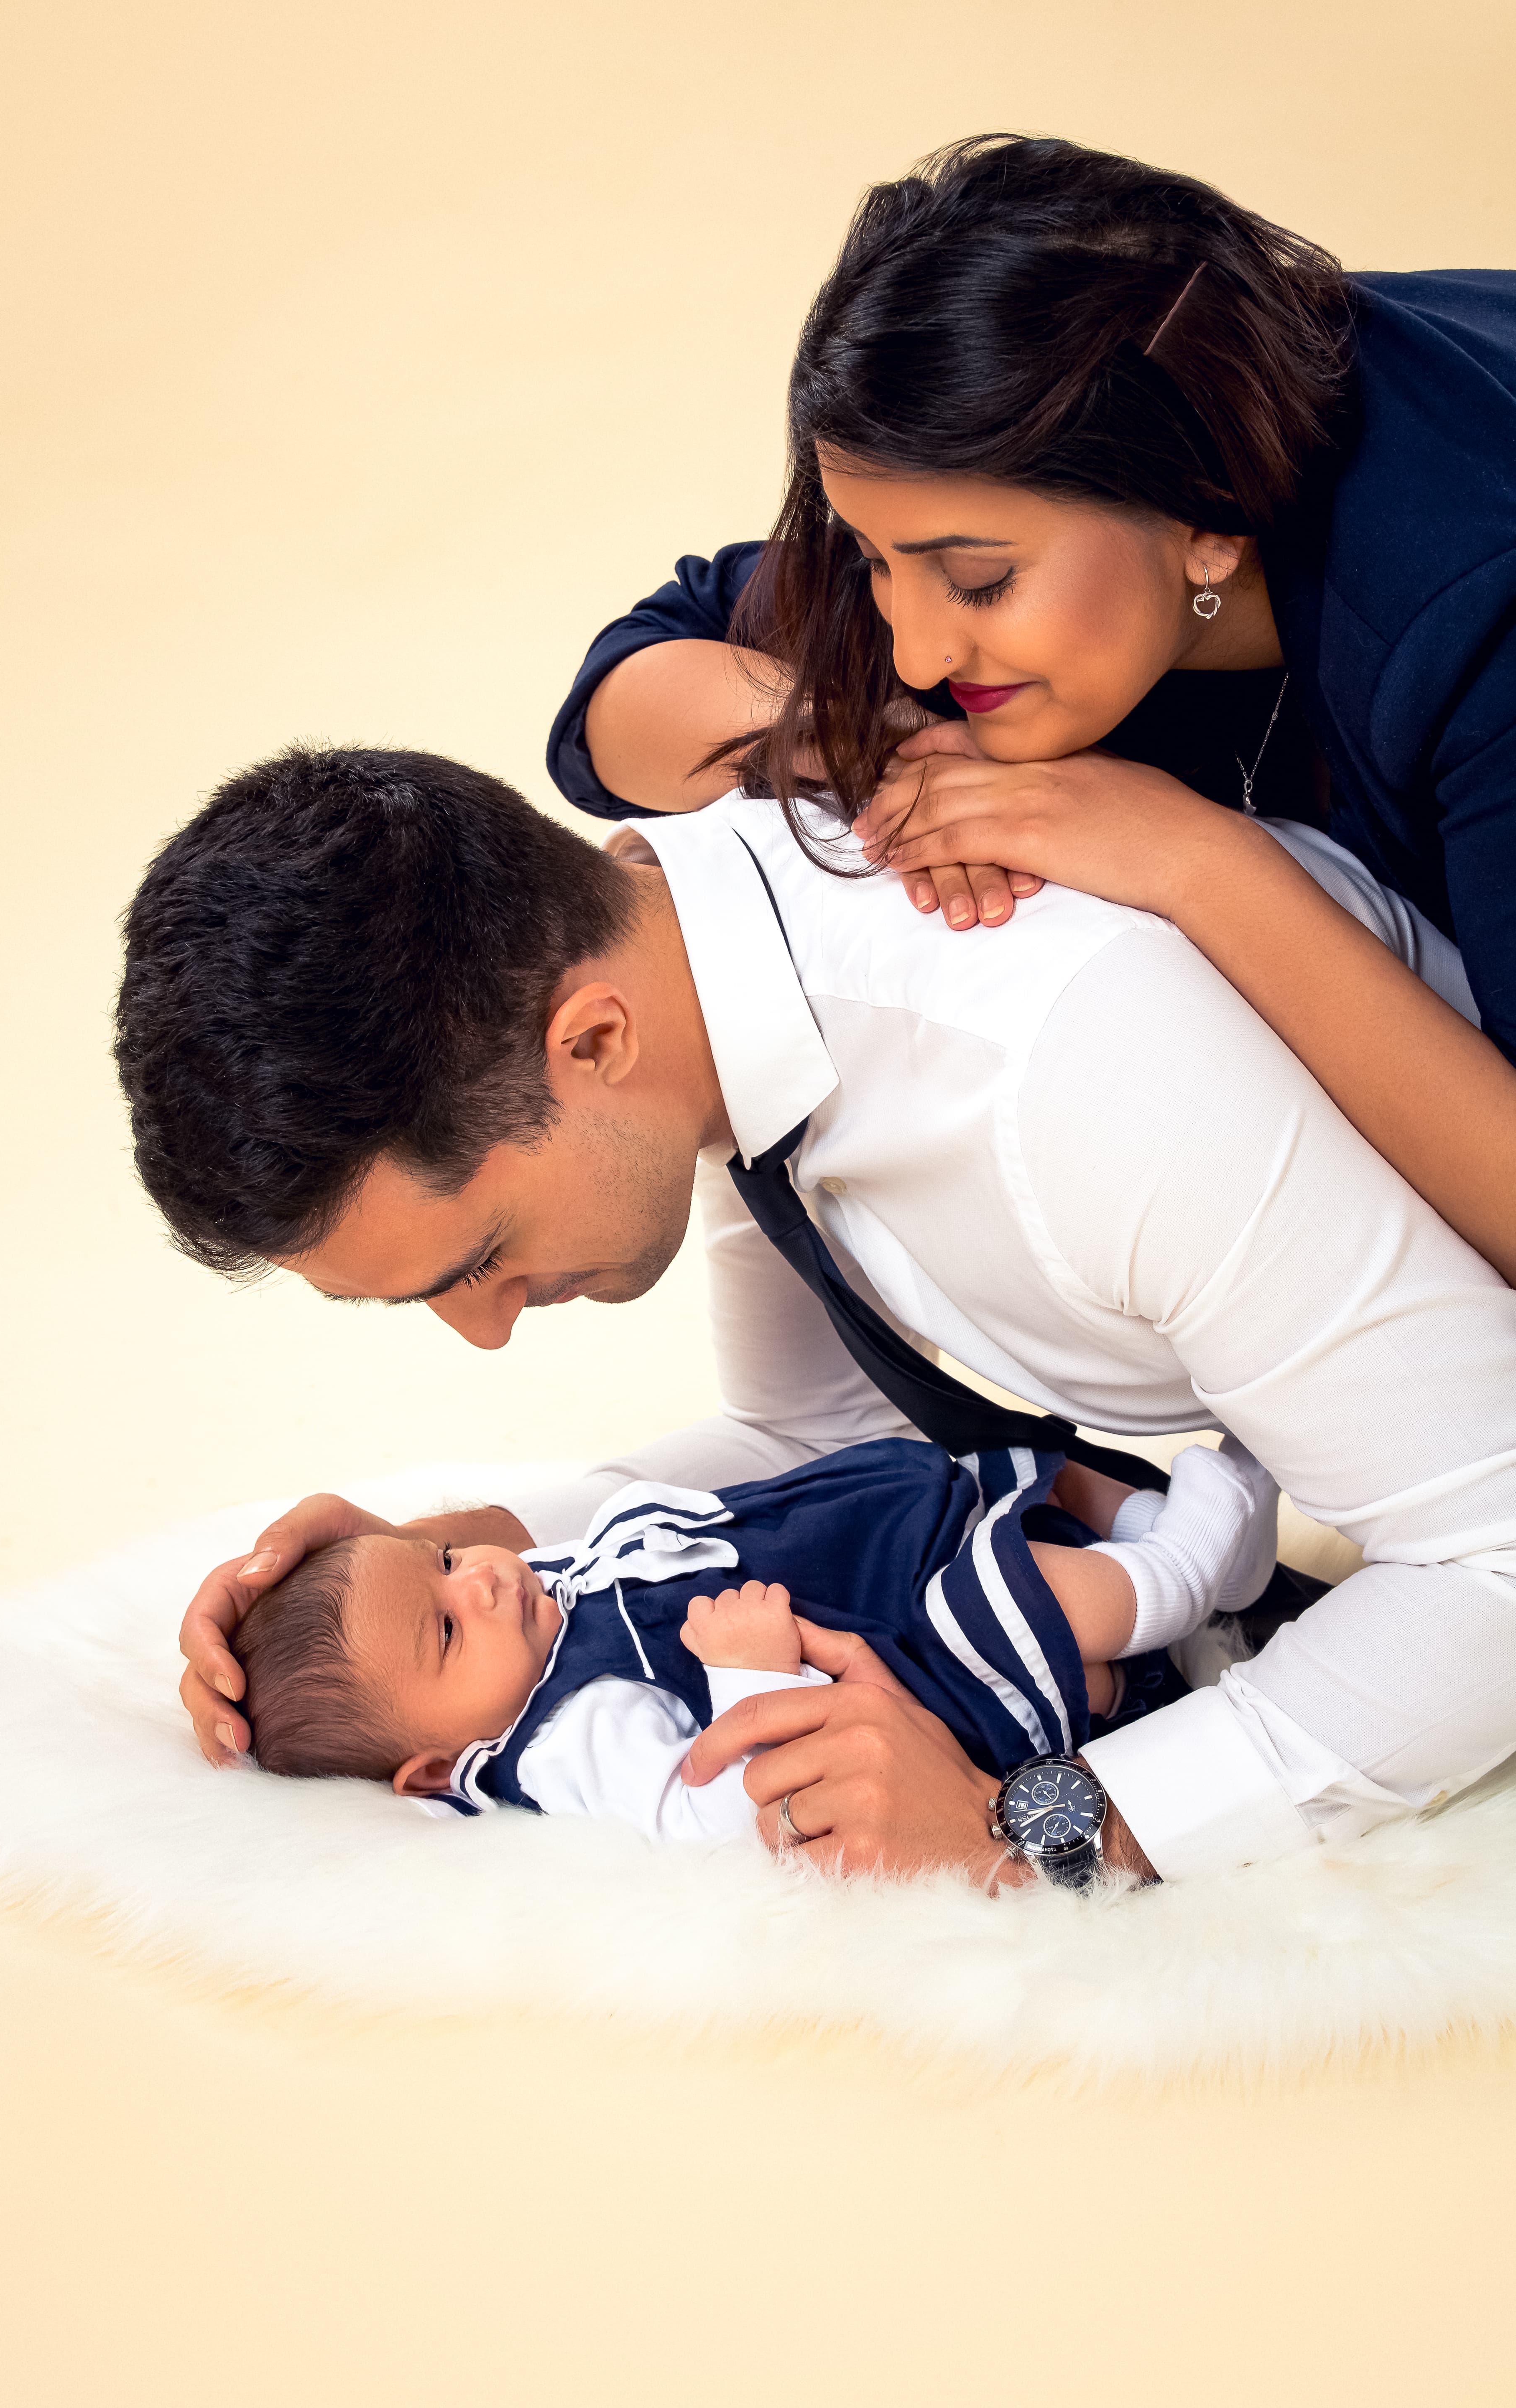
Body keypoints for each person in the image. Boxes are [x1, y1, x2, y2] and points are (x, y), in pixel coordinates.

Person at [117, 745, 1516, 1889]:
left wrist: (1037, 1831)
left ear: (594, 1041)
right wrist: (463, 1555)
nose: (485, 1334)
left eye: (475, 1260)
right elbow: (811, 1435)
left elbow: (1496, 1565)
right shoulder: (694, 987)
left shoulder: (1062, 1076)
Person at [551, 135, 1516, 1281]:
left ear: (1210, 513)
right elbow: (620, 697)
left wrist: (1193, 860)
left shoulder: (1473, 616)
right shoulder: (1029, 477)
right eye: (872, 559)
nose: (914, 647)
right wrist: (881, 749)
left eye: (977, 581)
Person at [235, 1435, 1279, 1872]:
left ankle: (1154, 1539)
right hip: (901, 1668)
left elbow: (531, 1559)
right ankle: (1185, 1570)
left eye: (446, 1560)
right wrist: (749, 1672)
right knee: (1006, 1603)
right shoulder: (564, 1742)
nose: (483, 1581)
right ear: (433, 1770)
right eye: (447, 1628)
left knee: (999, 1485)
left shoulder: (522, 1620)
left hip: (842, 1562)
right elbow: (712, 1819)